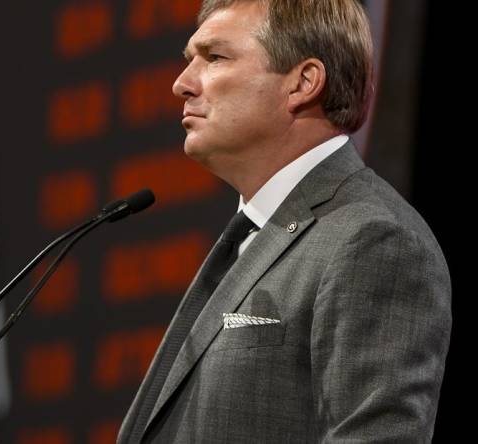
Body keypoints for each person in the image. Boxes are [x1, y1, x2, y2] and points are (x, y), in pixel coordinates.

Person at [117, 0, 452, 442]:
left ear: (303, 82)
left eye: (214, 57)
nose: (181, 83)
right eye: (189, 61)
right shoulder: (253, 234)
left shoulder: (374, 239)